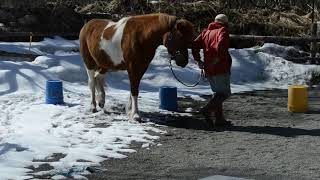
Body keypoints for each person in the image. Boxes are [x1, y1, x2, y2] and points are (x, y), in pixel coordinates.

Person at [192, 14, 232, 127]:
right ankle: (206, 110)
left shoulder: (205, 32)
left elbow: (194, 44)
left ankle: (219, 119)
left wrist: (198, 60)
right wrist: (218, 57)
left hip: (208, 67)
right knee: (224, 93)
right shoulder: (222, 30)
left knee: (217, 93)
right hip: (220, 66)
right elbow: (221, 45)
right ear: (225, 22)